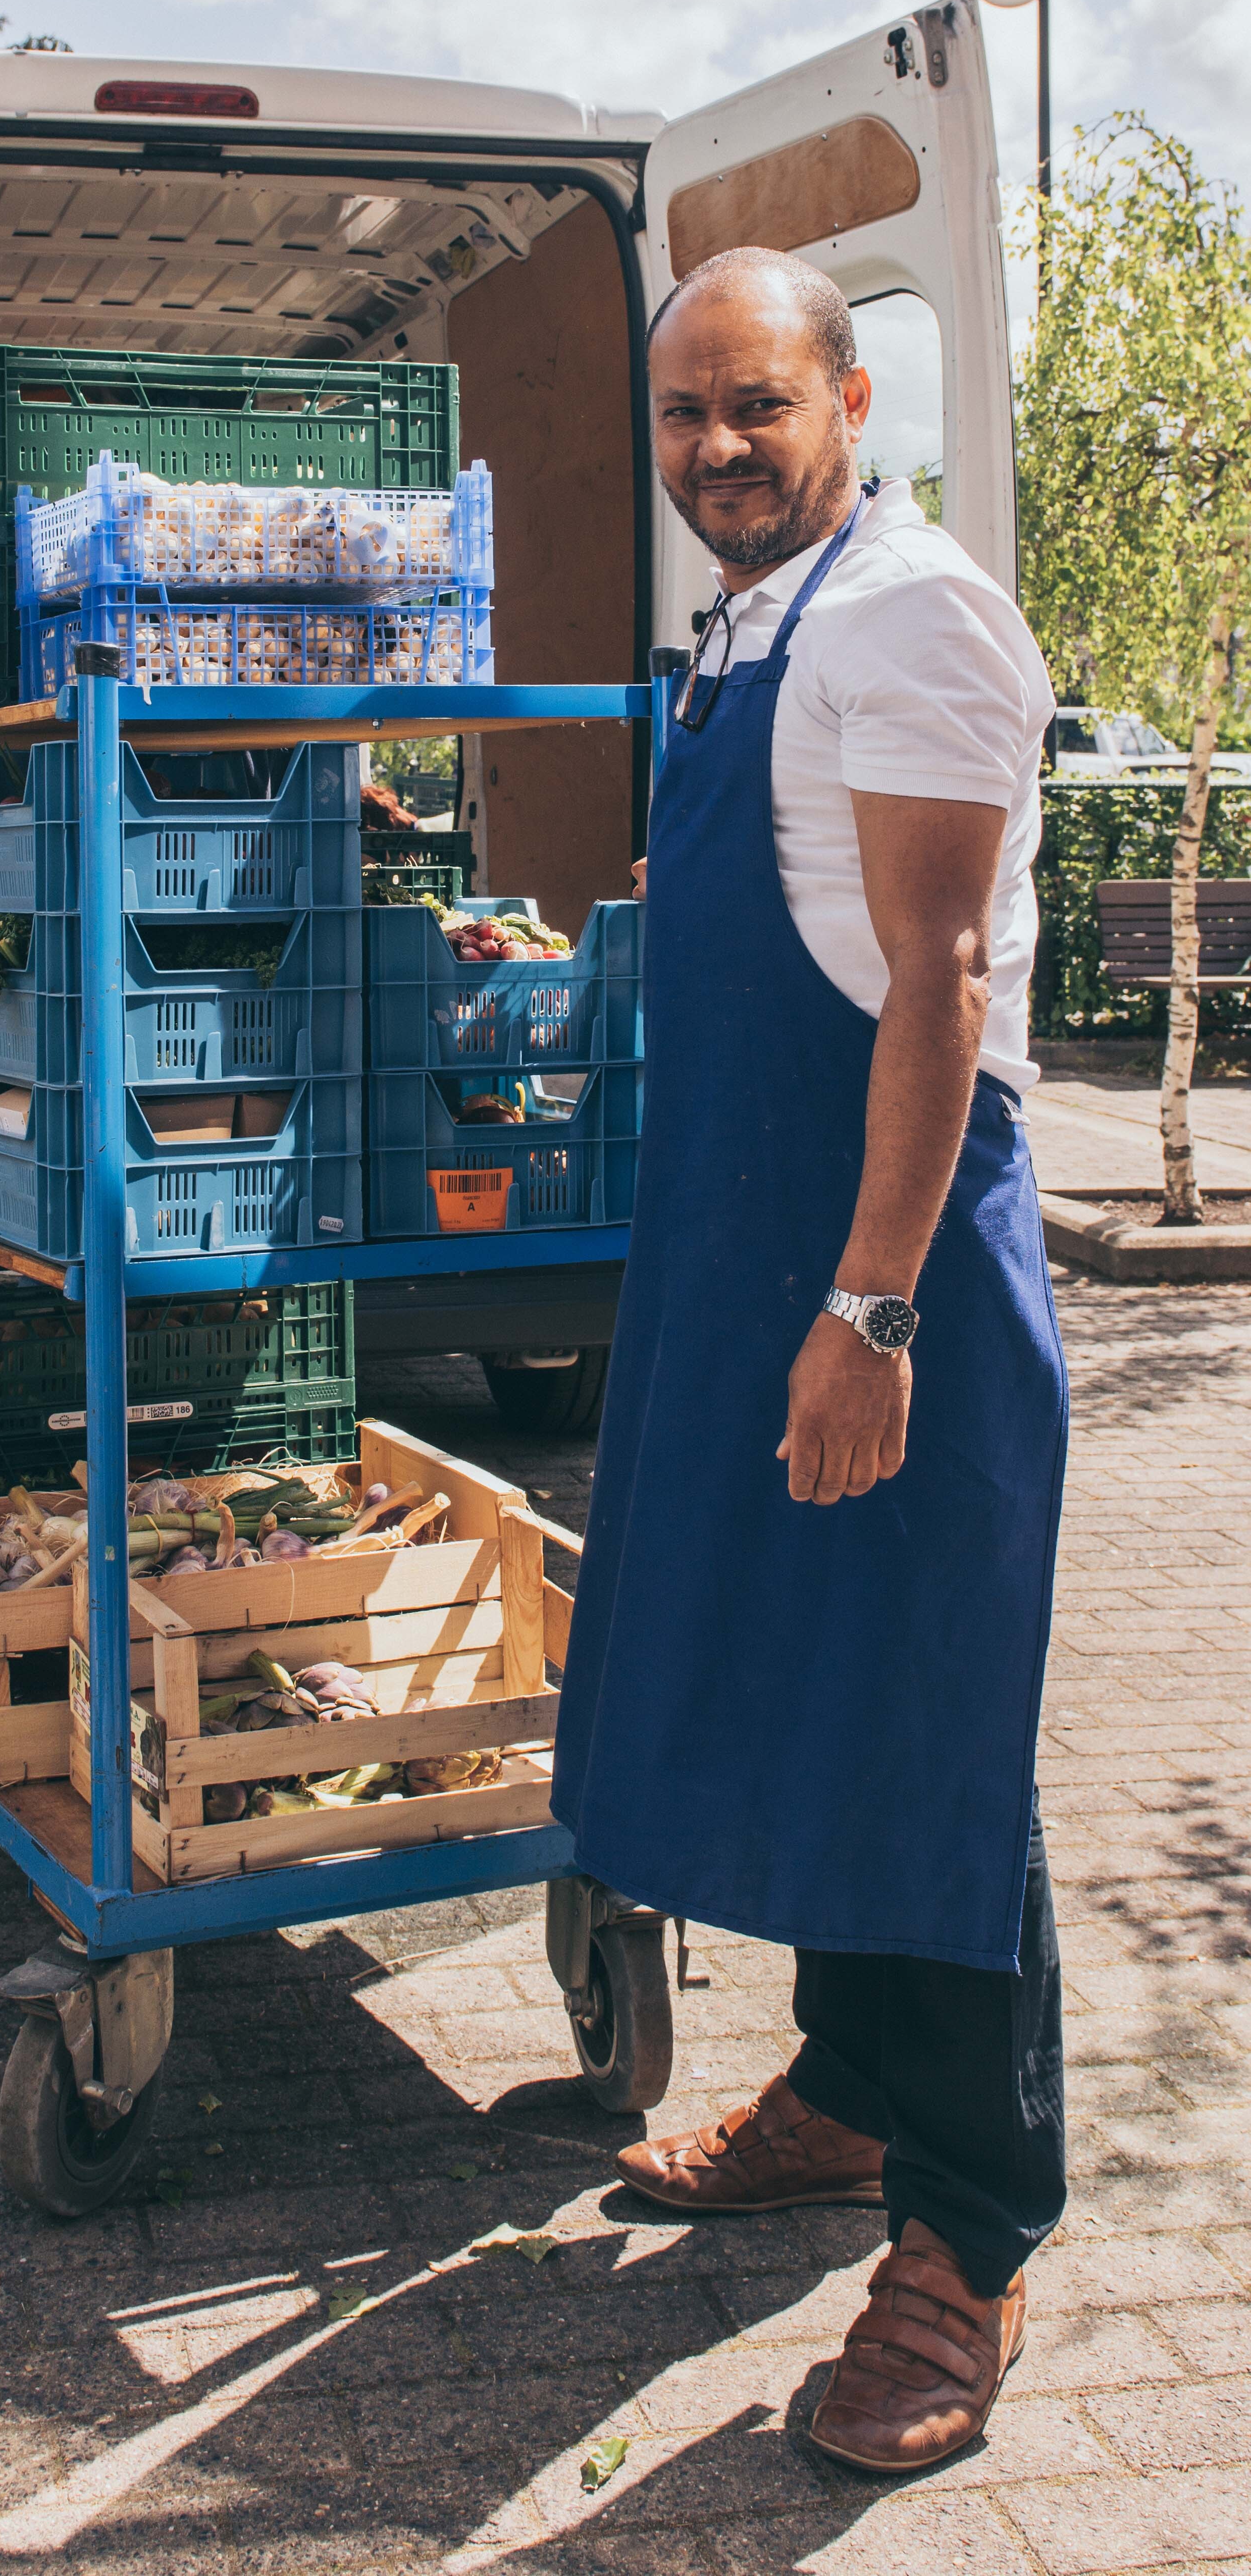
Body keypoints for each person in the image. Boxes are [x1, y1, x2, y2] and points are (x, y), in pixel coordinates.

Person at [552, 245, 1065, 2476]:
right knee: (819, 1688)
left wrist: (869, 1312)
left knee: (930, 1726)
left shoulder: (907, 612)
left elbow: (937, 982)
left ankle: (970, 2243)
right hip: (768, 1224)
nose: (714, 452)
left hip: (895, 1251)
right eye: (682, 415)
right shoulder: (759, 622)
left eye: (756, 406)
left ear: (852, 398)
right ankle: (852, 2096)